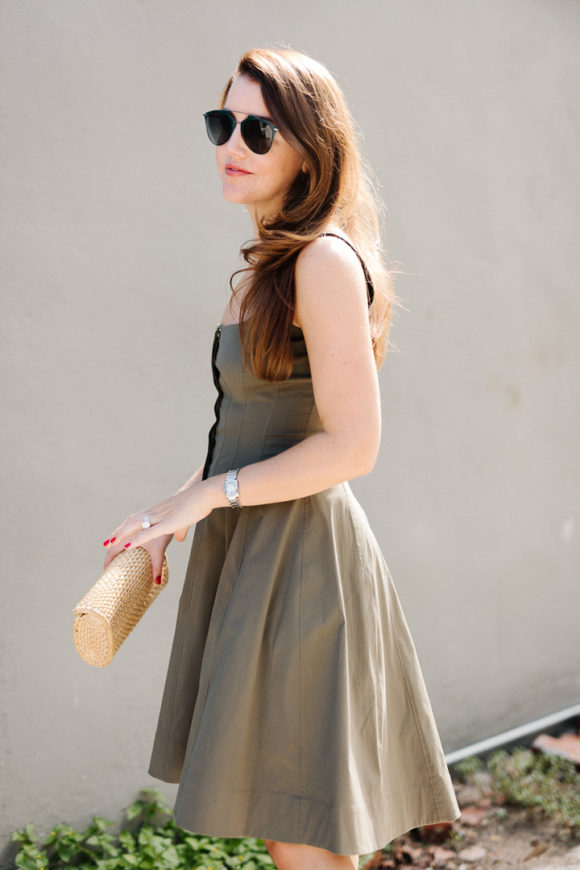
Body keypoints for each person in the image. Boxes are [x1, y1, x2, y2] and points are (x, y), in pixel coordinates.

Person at [102, 47, 460, 870]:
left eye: (259, 129)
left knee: (297, 824)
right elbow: (248, 431)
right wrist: (166, 517)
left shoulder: (322, 262)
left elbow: (353, 446)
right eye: (223, 122)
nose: (234, 142)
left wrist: (206, 500)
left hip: (303, 565)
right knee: (286, 821)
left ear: (309, 147)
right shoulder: (265, 269)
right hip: (255, 553)